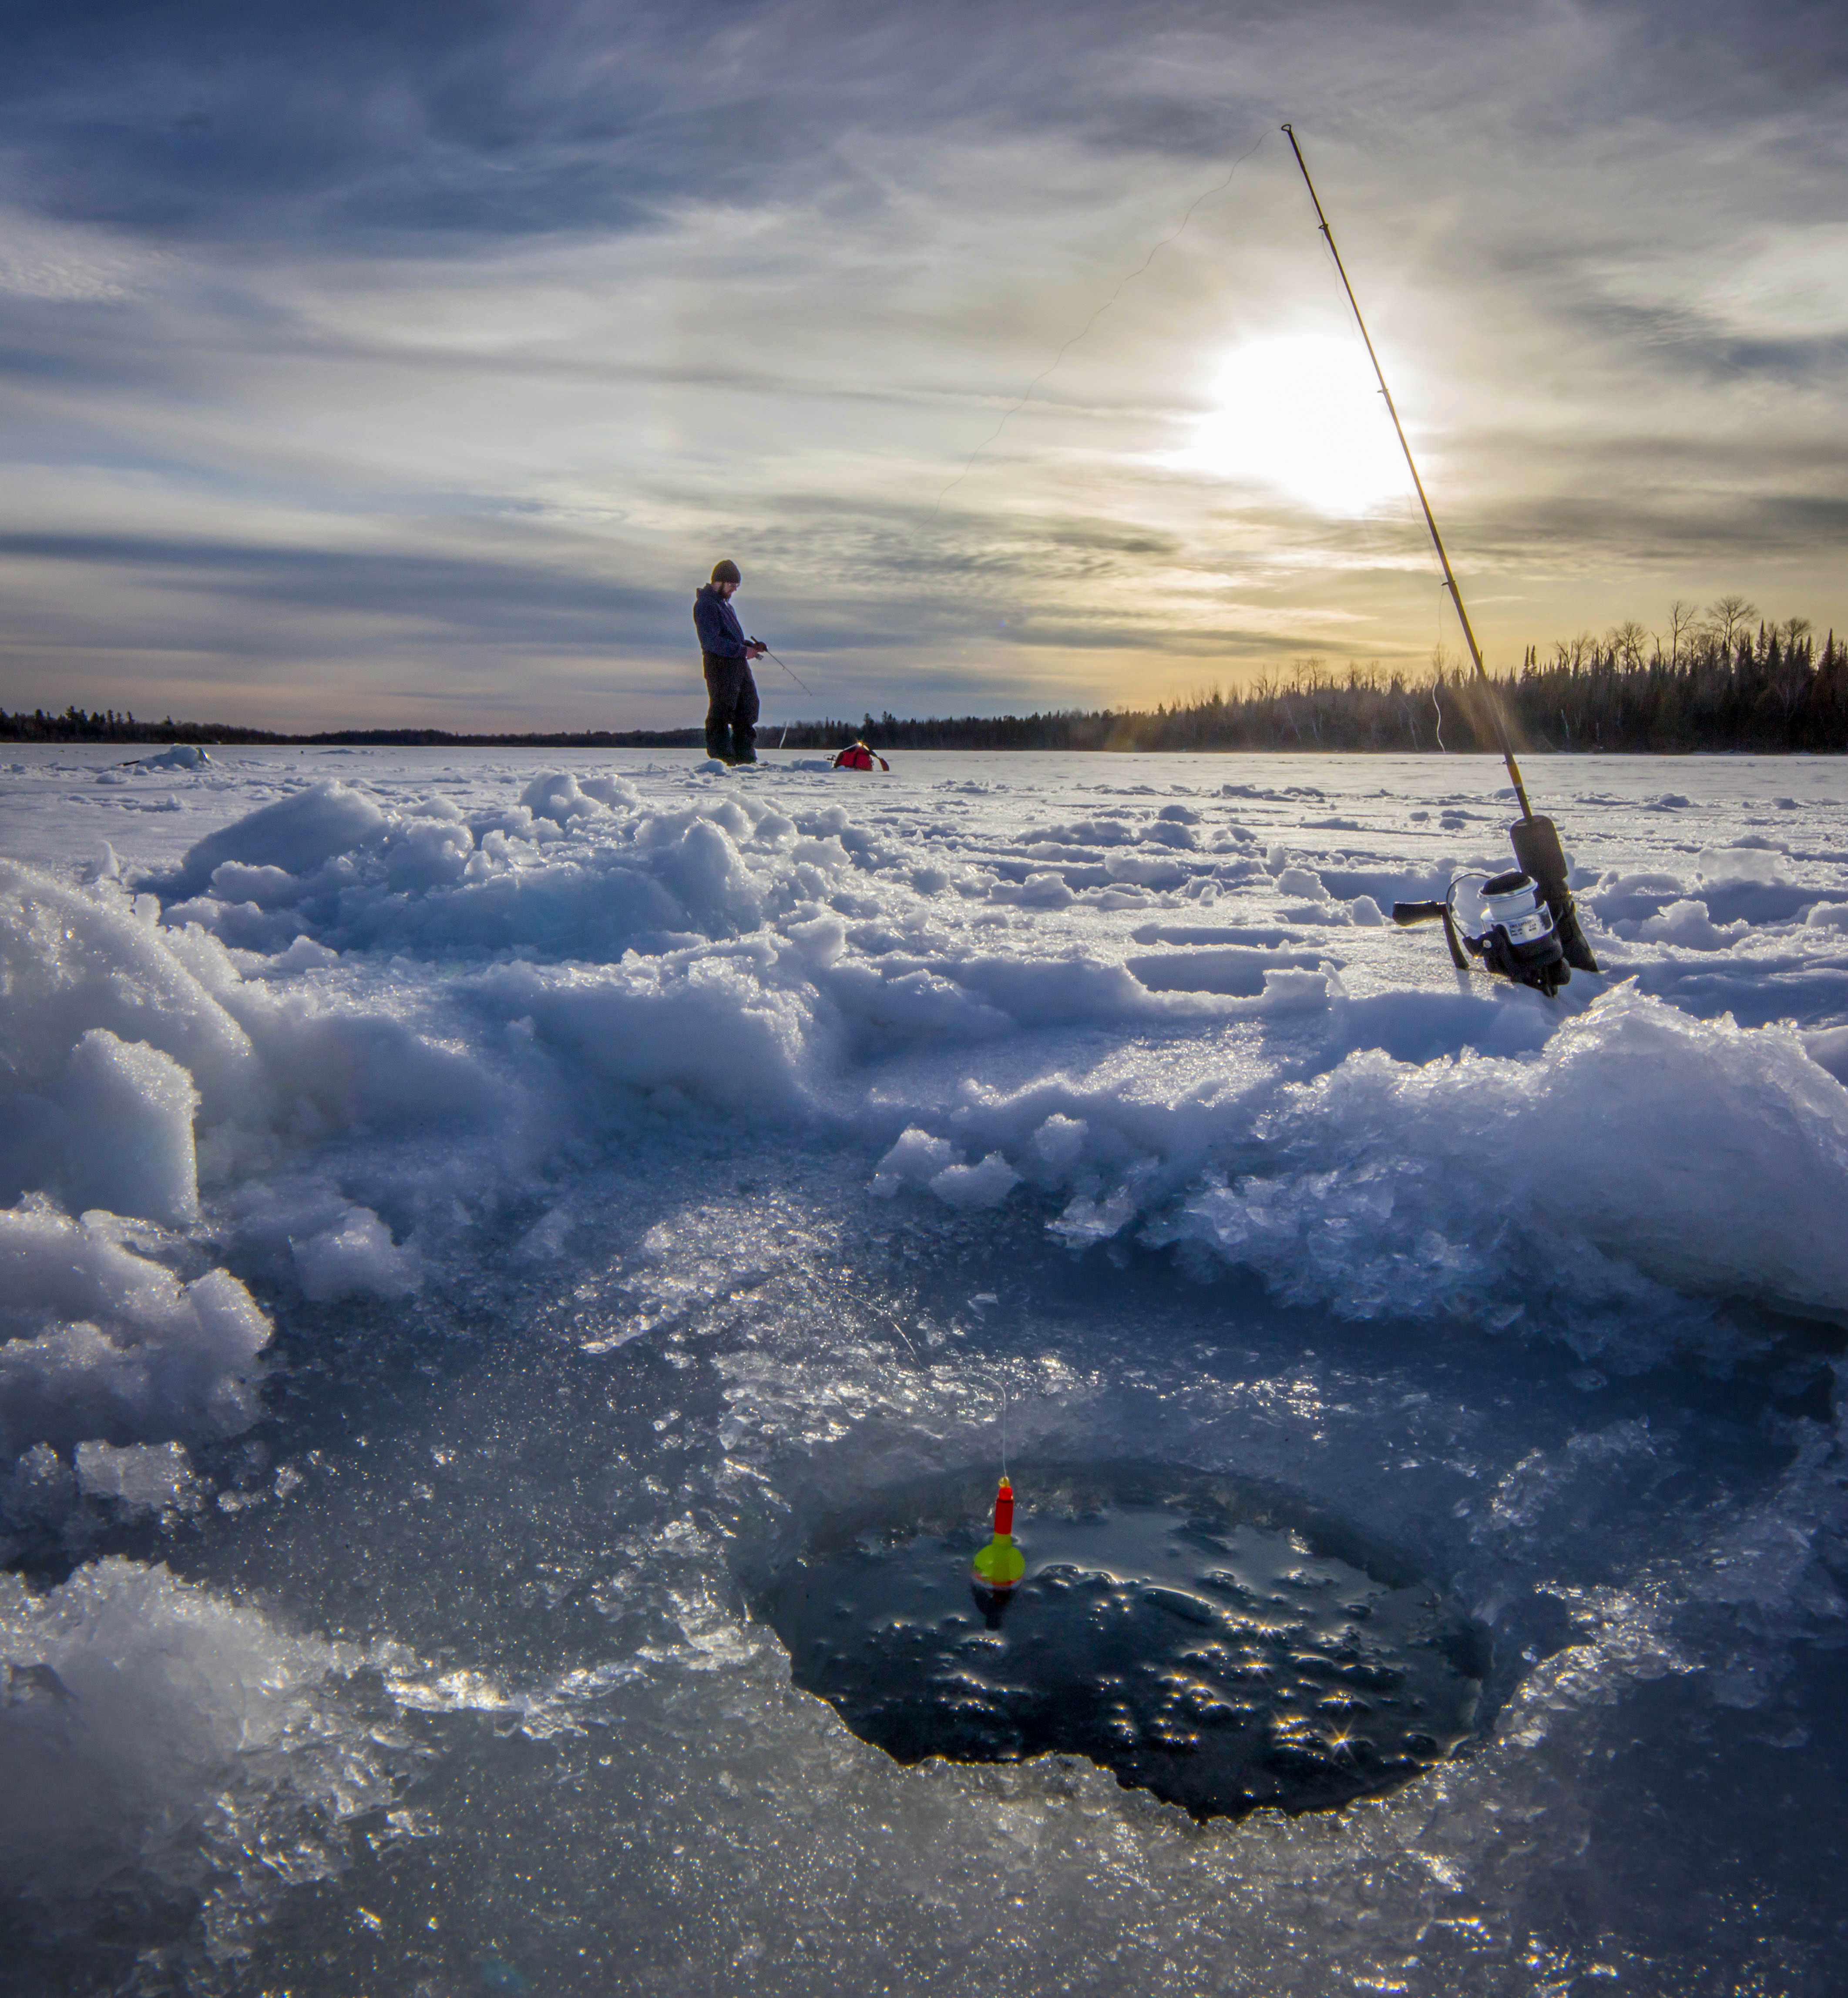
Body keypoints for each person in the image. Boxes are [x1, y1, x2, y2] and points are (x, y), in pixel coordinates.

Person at [692, 559, 766, 765]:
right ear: (720, 582)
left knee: (749, 708)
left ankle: (746, 758)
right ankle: (722, 760)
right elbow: (711, 641)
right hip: (719, 666)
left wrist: (753, 647)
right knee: (722, 711)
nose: (734, 590)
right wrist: (743, 650)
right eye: (732, 585)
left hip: (737, 665)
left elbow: (730, 639)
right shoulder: (706, 605)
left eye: (737, 587)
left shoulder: (727, 607)